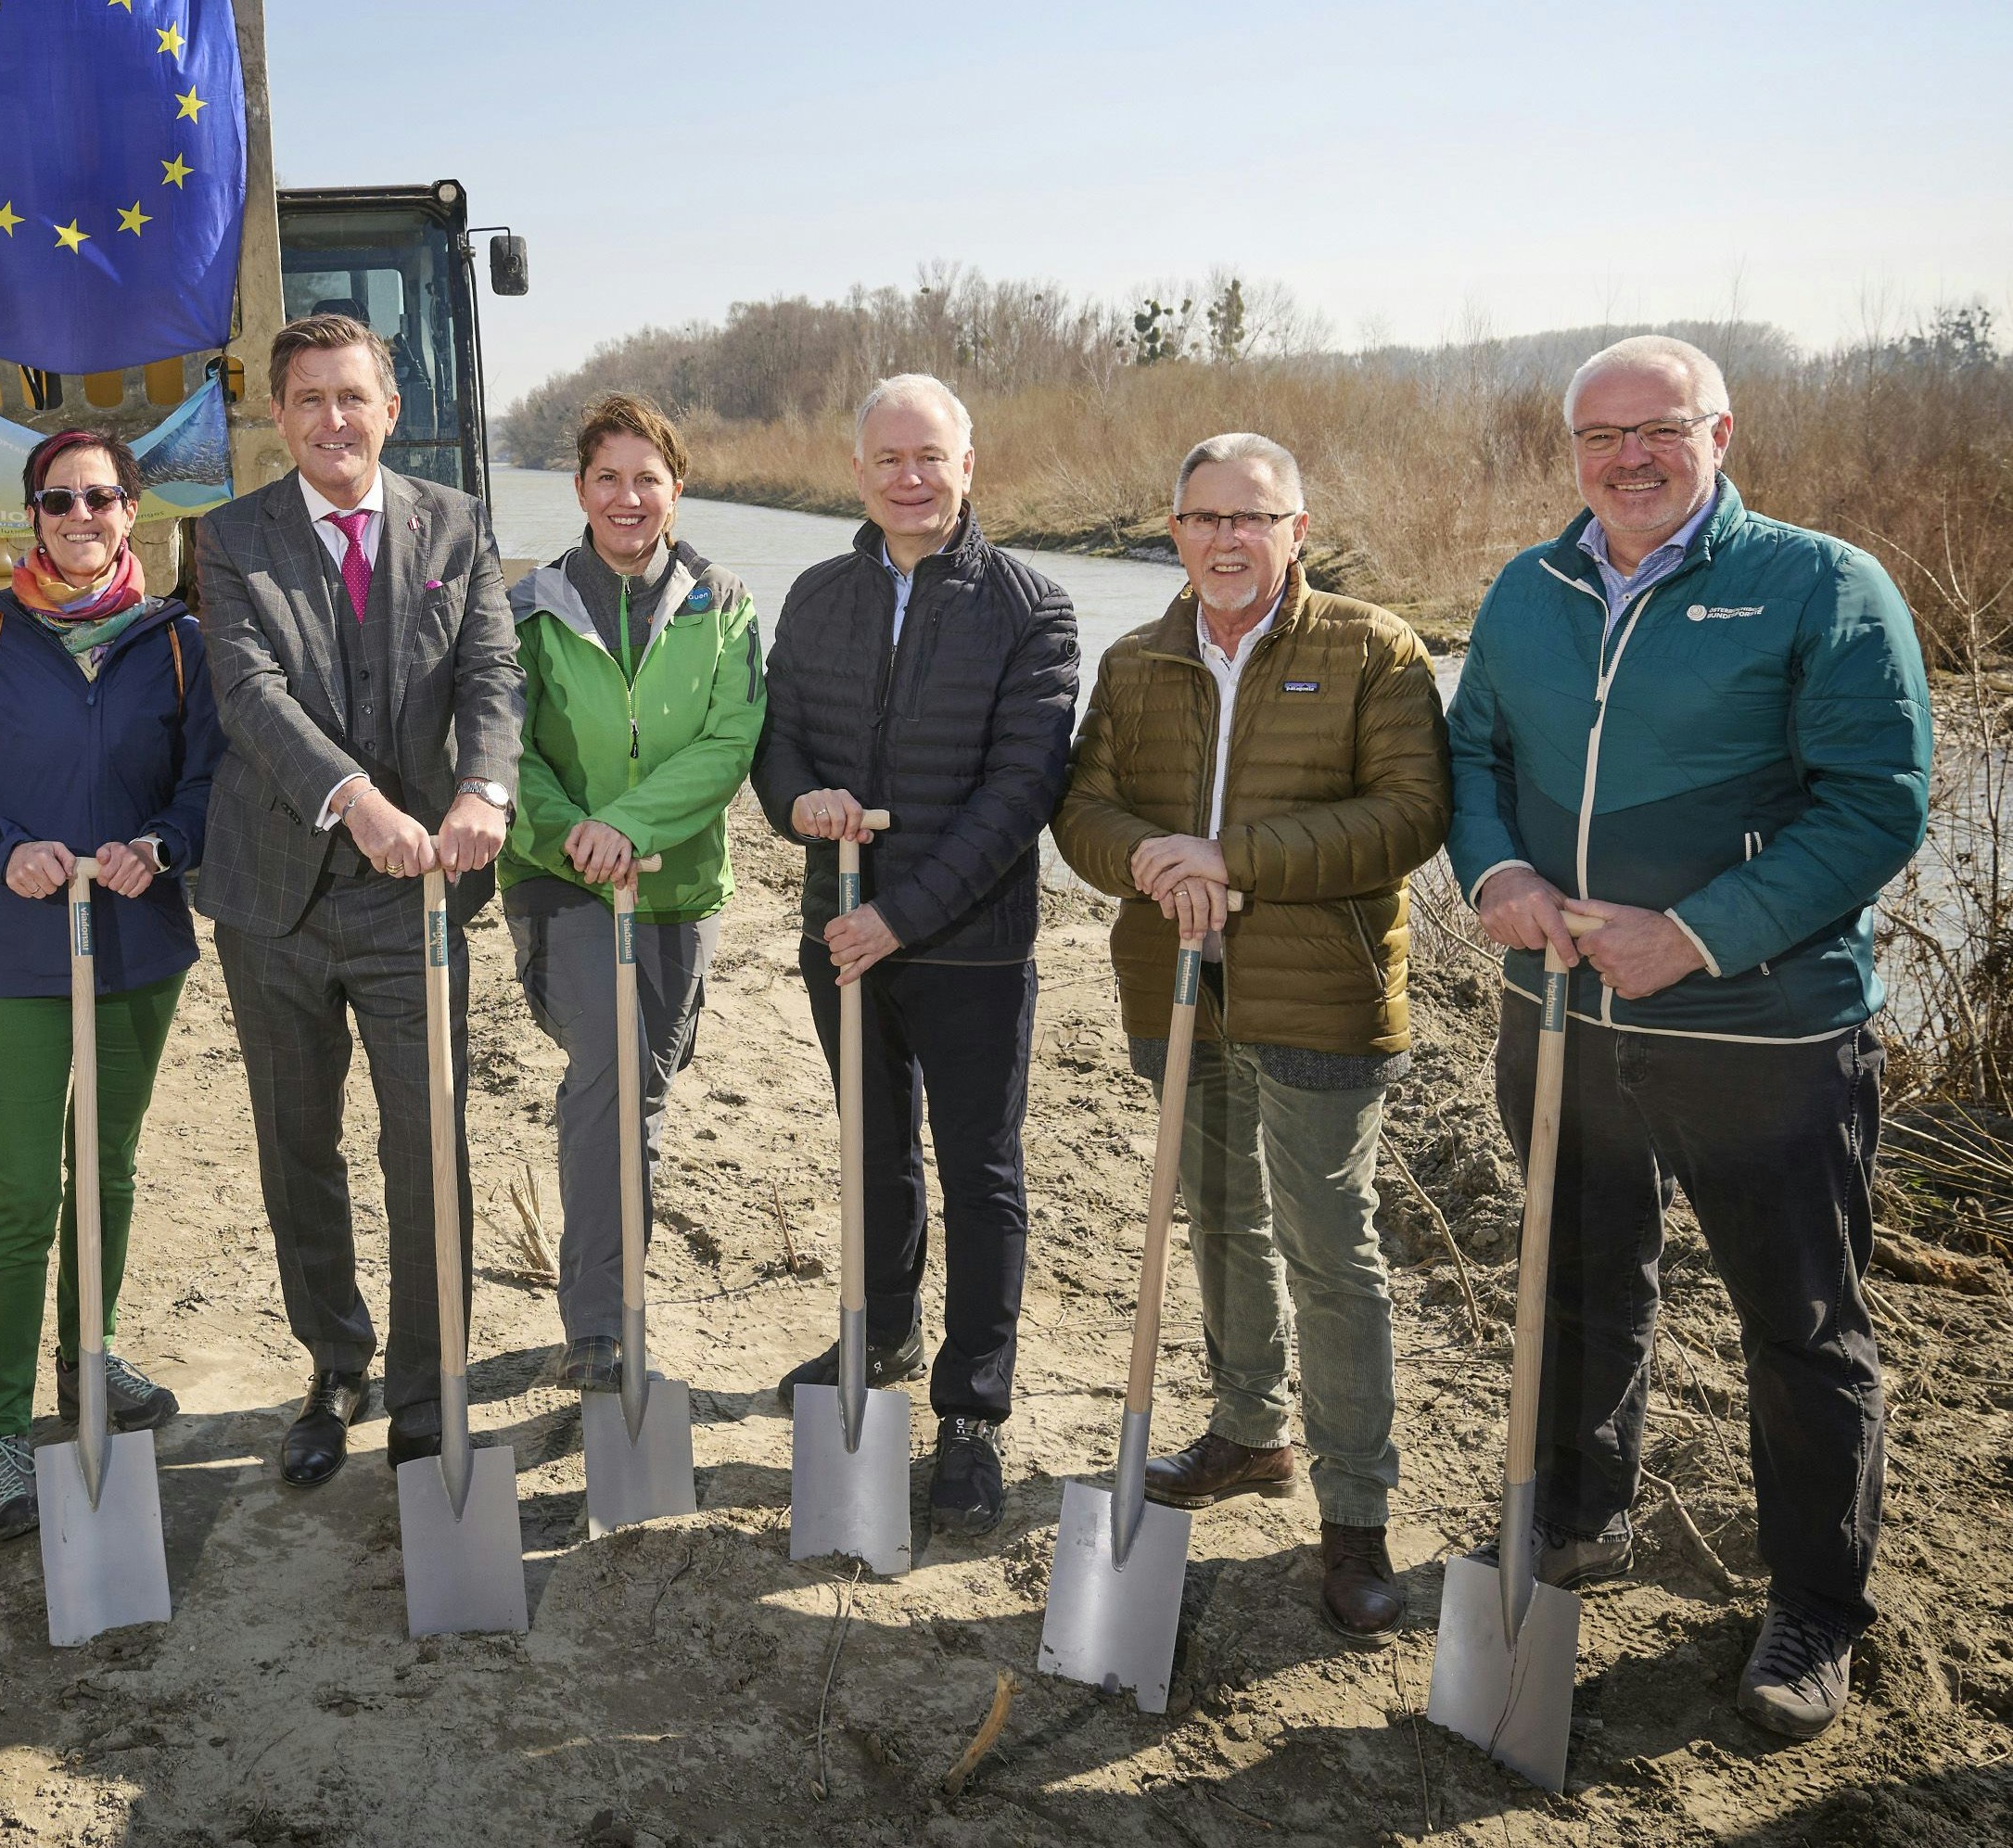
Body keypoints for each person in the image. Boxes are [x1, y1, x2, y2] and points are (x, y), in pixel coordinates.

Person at [1446, 334, 1931, 1737]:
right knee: (1577, 1283)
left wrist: (1699, 932)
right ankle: (1578, 1518)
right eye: (1597, 436)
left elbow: (1873, 801)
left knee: (1798, 1328)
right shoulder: (1527, 589)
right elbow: (1469, 753)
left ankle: (1810, 1608)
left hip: (1760, 1035)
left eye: (1657, 428)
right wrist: (1499, 879)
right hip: (1559, 1016)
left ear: (1719, 433)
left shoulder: (1818, 587)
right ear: (1569, 453)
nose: (1626, 458)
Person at [1051, 432, 1450, 1636]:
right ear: (1170, 531)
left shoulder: (1370, 649)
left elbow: (1407, 816)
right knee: (1220, 1216)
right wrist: (1146, 862)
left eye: (1251, 517)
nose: (1226, 538)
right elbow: (1078, 811)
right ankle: (1246, 1430)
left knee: (1330, 1253)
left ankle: (1355, 1519)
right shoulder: (1132, 663)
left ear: (1296, 531)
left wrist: (1235, 861)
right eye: (1202, 517)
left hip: (1319, 995)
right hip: (1178, 994)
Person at [192, 312, 524, 1486]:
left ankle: (431, 1389)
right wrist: (354, 801)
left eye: (353, 397)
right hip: (272, 898)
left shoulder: (459, 525)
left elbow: (491, 668)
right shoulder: (227, 540)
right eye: (309, 401)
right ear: (277, 419)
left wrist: (484, 785)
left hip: (420, 903)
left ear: (391, 408)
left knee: (428, 1143)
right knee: (300, 1144)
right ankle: (336, 1366)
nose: (333, 420)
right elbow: (249, 692)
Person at [749, 373, 1077, 1538]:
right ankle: (881, 1324)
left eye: (930, 455)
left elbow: (1020, 790)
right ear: (858, 473)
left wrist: (907, 913)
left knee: (979, 1170)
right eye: (888, 457)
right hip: (838, 933)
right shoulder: (818, 593)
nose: (910, 476)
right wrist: (801, 808)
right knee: (873, 1144)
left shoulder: (1033, 606)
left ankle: (972, 1409)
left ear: (968, 466)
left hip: (971, 946)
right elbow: (776, 738)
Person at [0, 428, 223, 1538]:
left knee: (111, 1166)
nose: (79, 518)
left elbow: (204, 780)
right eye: (57, 500)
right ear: (28, 515)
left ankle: (89, 1356)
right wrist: (5, 852)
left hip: (137, 939)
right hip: (18, 949)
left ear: (133, 511)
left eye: (100, 498)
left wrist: (163, 845)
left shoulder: (177, 639)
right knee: (25, 1186)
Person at [496, 391, 767, 1387]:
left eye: (646, 479)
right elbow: (499, 747)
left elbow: (728, 741)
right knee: (607, 1074)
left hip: (677, 885)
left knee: (646, 1091)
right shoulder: (525, 605)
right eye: (606, 477)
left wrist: (635, 827)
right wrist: (575, 834)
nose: (627, 497)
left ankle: (617, 1291)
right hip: (558, 881)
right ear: (578, 489)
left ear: (677, 491)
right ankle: (602, 1327)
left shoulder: (724, 602)